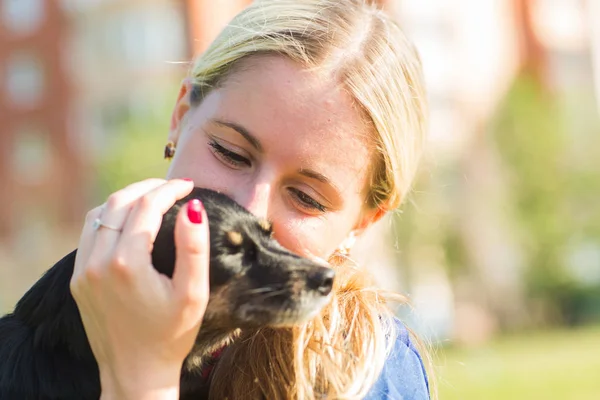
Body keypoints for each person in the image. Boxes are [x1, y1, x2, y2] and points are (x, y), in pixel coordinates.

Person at [69, 0, 434, 398]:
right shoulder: (53, 327)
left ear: (364, 222)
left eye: (306, 198)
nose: (249, 209)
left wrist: (141, 380)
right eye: (230, 153)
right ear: (180, 118)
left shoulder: (363, 373)